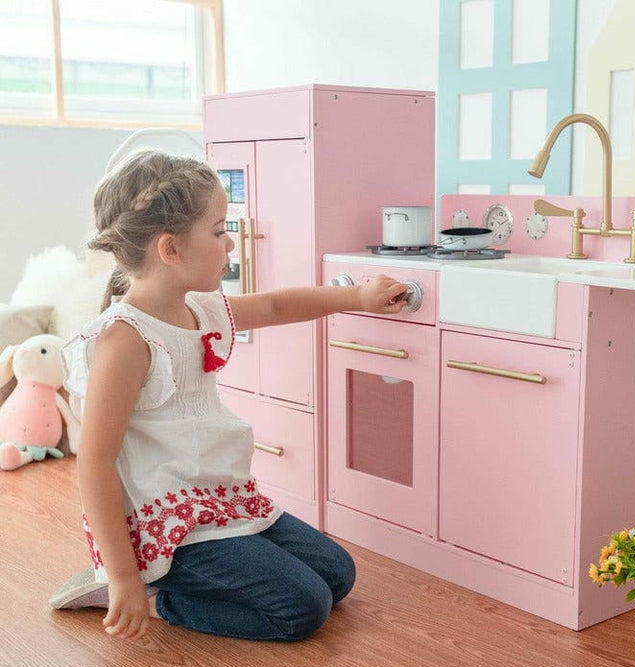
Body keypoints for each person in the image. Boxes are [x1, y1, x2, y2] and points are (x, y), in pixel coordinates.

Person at [50, 149, 409, 642]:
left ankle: (178, 581)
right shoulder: (125, 341)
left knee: (337, 574)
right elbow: (94, 464)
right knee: (303, 609)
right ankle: (156, 599)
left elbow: (276, 306)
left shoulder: (199, 307)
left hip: (215, 499)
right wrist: (123, 578)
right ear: (170, 249)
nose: (232, 243)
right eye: (219, 231)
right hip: (165, 527)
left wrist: (358, 297)